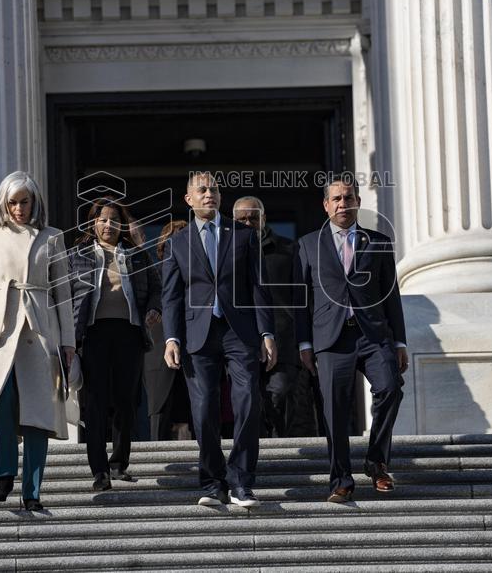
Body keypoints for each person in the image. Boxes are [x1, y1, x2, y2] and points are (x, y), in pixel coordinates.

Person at [0, 171, 76, 512]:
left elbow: (63, 295)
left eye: (24, 201)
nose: (19, 208)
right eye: (12, 202)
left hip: (40, 331)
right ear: (3, 203)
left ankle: (33, 491)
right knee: (0, 403)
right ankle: (4, 473)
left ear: (34, 201)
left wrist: (67, 342)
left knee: (38, 414)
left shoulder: (52, 238)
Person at [161, 172, 277, 508]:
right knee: (203, 409)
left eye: (213, 189)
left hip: (239, 332)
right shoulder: (177, 243)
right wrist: (171, 338)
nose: (209, 193)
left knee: (248, 402)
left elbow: (259, 287)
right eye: (202, 190)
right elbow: (171, 297)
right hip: (198, 334)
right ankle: (212, 483)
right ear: (189, 200)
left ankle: (241, 481)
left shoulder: (243, 235)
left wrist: (267, 333)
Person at [294, 173, 409, 503]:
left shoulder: (379, 242)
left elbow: (392, 297)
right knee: (335, 410)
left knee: (390, 388)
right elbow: (302, 300)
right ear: (326, 205)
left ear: (358, 201)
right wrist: (304, 343)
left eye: (349, 197)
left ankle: (376, 462)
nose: (344, 203)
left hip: (373, 335)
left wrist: (399, 342)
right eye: (337, 199)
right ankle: (341, 480)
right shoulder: (306, 245)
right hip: (330, 339)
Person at [70, 198, 161, 491]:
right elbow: (65, 292)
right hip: (93, 334)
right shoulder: (78, 254)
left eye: (113, 220)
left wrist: (154, 308)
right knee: (95, 403)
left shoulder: (136, 254)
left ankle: (119, 463)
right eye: (102, 219)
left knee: (125, 400)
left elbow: (156, 287)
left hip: (129, 333)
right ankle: (99, 471)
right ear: (93, 223)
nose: (108, 225)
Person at [231, 196, 299, 437]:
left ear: (264, 218)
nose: (248, 222)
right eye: (242, 219)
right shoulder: (225, 253)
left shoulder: (289, 250)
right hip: (241, 340)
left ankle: (280, 452)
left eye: (253, 217)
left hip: (282, 336)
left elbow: (303, 297)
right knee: (250, 400)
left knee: (278, 394)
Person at [143, 220, 192, 441]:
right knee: (159, 415)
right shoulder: (152, 274)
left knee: (199, 411)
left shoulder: (204, 277)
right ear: (164, 245)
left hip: (196, 350)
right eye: (175, 237)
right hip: (158, 353)